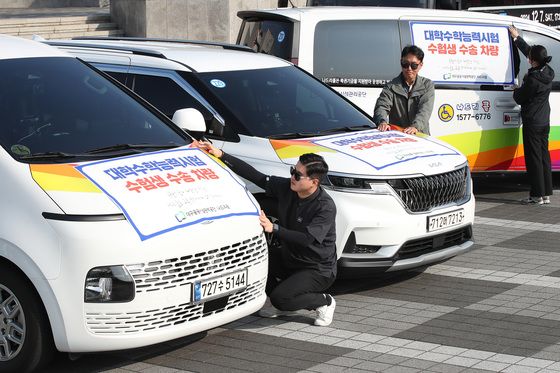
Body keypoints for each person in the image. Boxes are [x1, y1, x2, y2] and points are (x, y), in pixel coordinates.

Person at [195, 141, 338, 326]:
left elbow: (306, 239)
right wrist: (221, 154)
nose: (292, 177)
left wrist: (274, 228)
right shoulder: (289, 188)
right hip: (291, 258)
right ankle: (283, 301)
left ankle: (324, 301)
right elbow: (258, 177)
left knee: (281, 299)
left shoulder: (325, 206)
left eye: (297, 175)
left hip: (317, 269)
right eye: (292, 171)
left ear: (314, 182)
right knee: (256, 261)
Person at [509, 26, 554, 205]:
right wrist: (517, 38)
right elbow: (531, 53)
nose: (528, 58)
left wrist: (516, 89)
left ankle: (536, 195)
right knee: (544, 156)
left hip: (533, 123)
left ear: (533, 61)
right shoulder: (548, 72)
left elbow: (520, 98)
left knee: (534, 159)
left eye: (530, 58)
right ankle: (546, 194)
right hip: (544, 121)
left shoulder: (533, 80)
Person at [374, 45, 435, 135]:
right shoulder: (391, 86)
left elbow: (424, 111)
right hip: (398, 137)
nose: (409, 69)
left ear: (420, 65)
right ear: (401, 62)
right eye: (405, 64)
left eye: (414, 65)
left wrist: (415, 127)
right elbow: (381, 106)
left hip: (420, 136)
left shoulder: (427, 85)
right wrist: (382, 121)